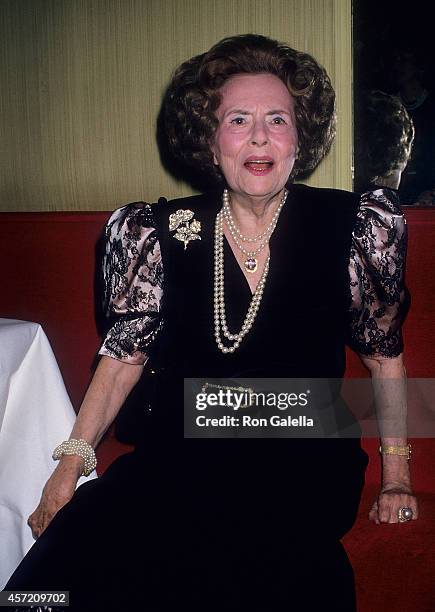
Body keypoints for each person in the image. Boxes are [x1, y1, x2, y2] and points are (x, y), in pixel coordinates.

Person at [5, 34, 419, 611]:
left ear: (300, 136)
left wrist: (396, 474)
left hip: (303, 452)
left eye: (278, 119)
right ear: (210, 138)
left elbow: (384, 354)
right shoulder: (156, 230)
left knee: (259, 559)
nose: (259, 136)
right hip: (183, 447)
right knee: (66, 569)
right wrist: (68, 468)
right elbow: (125, 357)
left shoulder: (354, 226)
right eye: (238, 119)